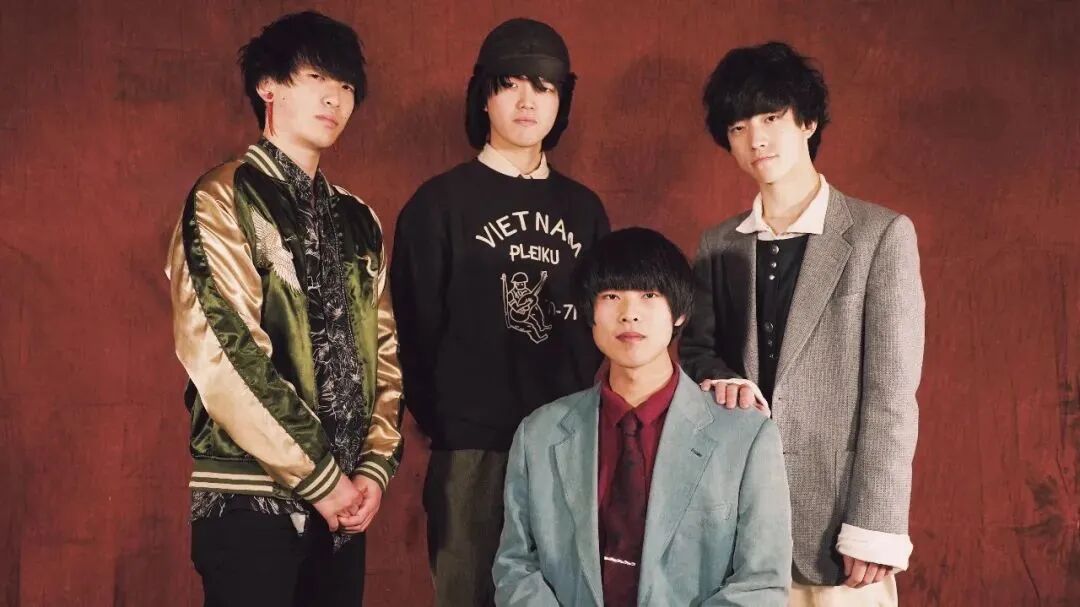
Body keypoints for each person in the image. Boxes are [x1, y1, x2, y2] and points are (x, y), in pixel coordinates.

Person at [165, 11, 403, 606]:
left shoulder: (359, 219)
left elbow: (385, 355)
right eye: (317, 77)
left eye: (346, 85)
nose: (335, 98)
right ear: (268, 86)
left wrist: (374, 469)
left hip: (344, 508)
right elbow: (224, 352)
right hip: (247, 497)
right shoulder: (224, 196)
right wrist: (322, 478)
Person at [680, 41, 924, 605]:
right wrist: (724, 379)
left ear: (808, 122)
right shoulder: (717, 243)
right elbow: (696, 352)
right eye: (738, 127)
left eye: (771, 118)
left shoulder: (880, 235)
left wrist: (876, 524)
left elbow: (892, 395)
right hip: (737, 518)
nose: (755, 139)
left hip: (839, 527)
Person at [389, 17, 610, 606]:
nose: (527, 101)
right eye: (510, 84)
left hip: (566, 446)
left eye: (544, 87)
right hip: (471, 447)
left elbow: (601, 329)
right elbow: (411, 331)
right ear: (483, 96)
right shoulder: (438, 205)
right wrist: (453, 421)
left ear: (562, 101)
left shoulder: (585, 211)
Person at [493, 227, 792, 606]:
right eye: (611, 296)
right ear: (589, 312)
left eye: (649, 295)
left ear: (679, 313)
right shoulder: (539, 434)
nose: (629, 314)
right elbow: (516, 564)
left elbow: (761, 583)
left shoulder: (746, 436)